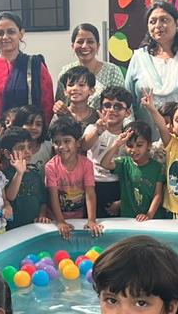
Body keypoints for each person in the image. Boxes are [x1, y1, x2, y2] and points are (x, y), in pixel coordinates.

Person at [140, 91, 178, 218]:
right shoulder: (172, 143)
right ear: (172, 125)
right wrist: (152, 108)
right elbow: (161, 126)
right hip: (170, 209)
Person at [45, 118, 102, 239]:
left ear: (78, 143)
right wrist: (60, 221)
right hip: (55, 219)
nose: (62, 146)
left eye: (67, 141)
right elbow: (53, 196)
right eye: (57, 142)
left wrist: (91, 220)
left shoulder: (86, 164)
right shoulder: (51, 166)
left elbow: (90, 193)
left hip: (79, 217)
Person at [82, 85, 133, 219]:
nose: (111, 110)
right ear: (100, 109)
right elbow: (84, 146)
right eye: (107, 105)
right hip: (92, 184)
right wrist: (98, 131)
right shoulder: (92, 128)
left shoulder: (129, 136)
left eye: (118, 107)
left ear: (127, 112)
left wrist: (122, 200)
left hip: (117, 186)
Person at [58, 23, 127, 108]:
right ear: (73, 46)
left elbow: (124, 105)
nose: (84, 46)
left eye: (90, 42)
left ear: (98, 46)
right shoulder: (66, 71)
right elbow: (60, 104)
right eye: (80, 42)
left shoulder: (112, 71)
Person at [107, 124, 163, 220]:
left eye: (139, 145)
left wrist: (148, 215)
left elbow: (158, 195)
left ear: (149, 145)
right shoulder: (124, 163)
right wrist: (117, 144)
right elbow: (105, 164)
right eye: (129, 145)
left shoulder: (157, 167)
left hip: (152, 219)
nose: (134, 149)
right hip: (128, 219)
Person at [1, 127, 49, 228]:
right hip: (13, 230)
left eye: (29, 147)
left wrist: (42, 215)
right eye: (21, 148)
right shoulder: (4, 175)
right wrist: (19, 173)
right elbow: (10, 197)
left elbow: (43, 201)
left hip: (34, 227)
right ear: (8, 154)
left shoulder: (35, 174)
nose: (27, 152)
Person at [53, 65, 99, 129]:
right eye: (71, 85)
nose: (75, 88)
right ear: (65, 91)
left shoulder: (97, 116)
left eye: (81, 85)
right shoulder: (60, 114)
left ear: (91, 91)